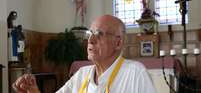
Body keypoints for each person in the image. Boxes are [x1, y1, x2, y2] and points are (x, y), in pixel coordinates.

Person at [12, 15, 156, 93]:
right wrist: (33, 90)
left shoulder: (135, 74)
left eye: (99, 34)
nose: (90, 40)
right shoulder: (82, 74)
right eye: (91, 33)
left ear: (118, 43)